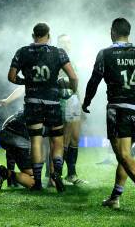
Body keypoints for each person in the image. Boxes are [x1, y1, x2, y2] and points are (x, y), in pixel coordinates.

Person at [83, 17, 135, 211]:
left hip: (118, 106)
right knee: (125, 154)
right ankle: (115, 197)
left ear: (113, 32)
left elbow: (94, 80)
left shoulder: (106, 54)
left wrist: (86, 101)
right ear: (128, 32)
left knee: (123, 154)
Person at [8, 23, 78, 192]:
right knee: (57, 141)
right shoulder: (58, 52)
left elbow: (11, 77)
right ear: (49, 35)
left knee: (36, 141)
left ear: (33, 35)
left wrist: (26, 81)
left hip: (32, 102)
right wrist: (71, 90)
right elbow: (73, 77)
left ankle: (38, 181)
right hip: (52, 103)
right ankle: (57, 174)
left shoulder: (22, 52)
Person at [57, 34, 87, 185]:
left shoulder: (72, 61)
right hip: (62, 102)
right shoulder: (56, 60)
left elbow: (77, 85)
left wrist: (81, 104)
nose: (66, 45)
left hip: (74, 102)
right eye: (62, 42)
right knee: (63, 140)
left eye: (68, 42)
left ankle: (71, 174)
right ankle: (55, 175)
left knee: (75, 138)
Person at [0, 110, 35, 190]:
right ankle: (5, 173)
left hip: (3, 135)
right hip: (19, 140)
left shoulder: (25, 110)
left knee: (11, 150)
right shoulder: (44, 113)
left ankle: (10, 181)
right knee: (34, 182)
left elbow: (7, 122)